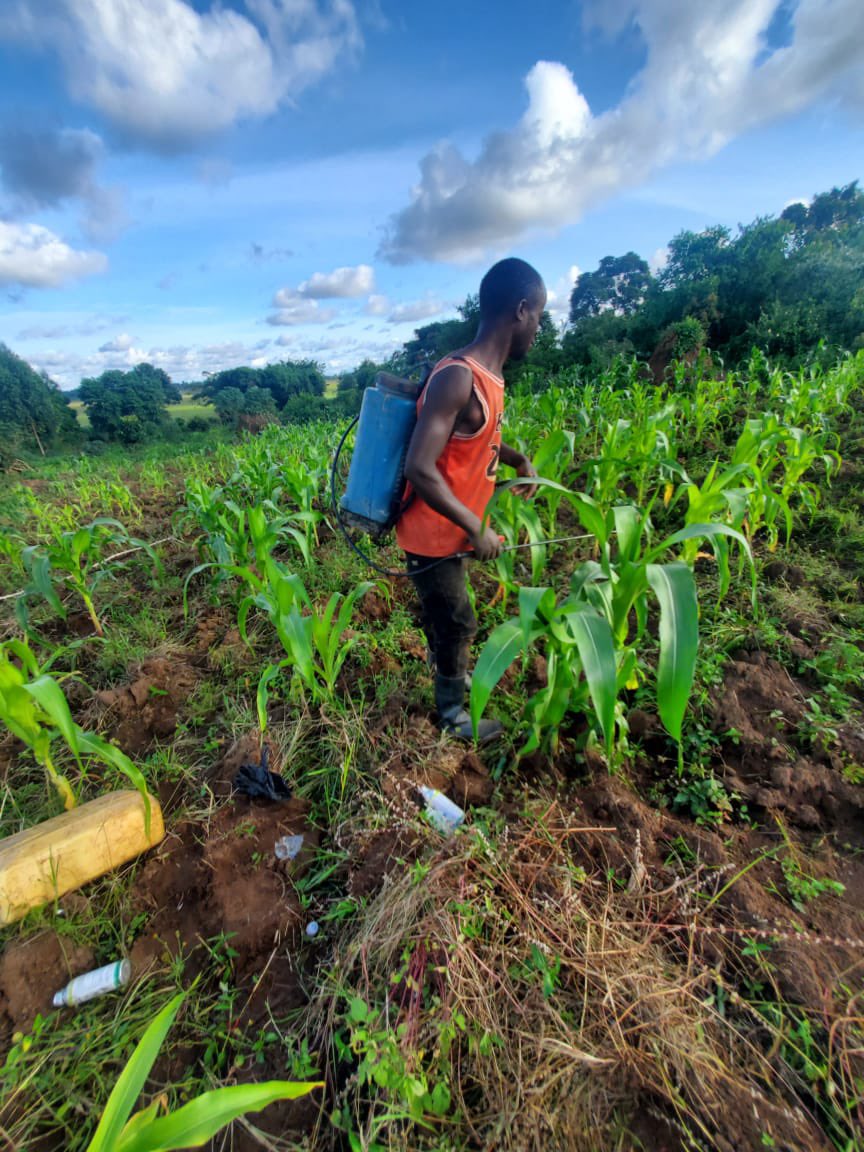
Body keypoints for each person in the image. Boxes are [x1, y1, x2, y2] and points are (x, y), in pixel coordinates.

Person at [396, 257, 546, 742]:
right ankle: (451, 714)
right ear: (520, 310)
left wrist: (519, 459)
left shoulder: (490, 379)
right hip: (432, 533)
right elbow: (420, 467)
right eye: (539, 316)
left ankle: (444, 662)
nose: (539, 329)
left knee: (448, 615)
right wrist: (475, 527)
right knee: (459, 620)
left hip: (451, 531)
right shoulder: (457, 377)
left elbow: (478, 439)